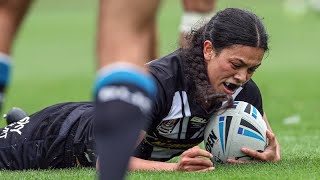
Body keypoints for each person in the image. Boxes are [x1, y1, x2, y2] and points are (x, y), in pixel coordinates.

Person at [0, 8, 280, 172]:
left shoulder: (242, 90)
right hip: (57, 138)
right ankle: (21, 124)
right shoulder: (160, 83)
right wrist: (174, 169)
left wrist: (268, 152)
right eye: (236, 64)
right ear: (208, 50)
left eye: (252, 69)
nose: (242, 76)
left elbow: (265, 140)